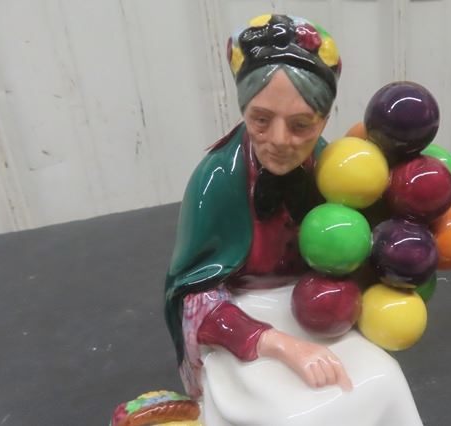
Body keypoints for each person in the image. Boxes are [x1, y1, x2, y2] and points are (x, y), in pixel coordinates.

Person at [164, 14, 423, 426]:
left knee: (383, 377)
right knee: (295, 416)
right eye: (260, 120)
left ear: (324, 120)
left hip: (320, 306)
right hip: (245, 319)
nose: (280, 141)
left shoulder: (335, 168)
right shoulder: (215, 180)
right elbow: (193, 299)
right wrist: (281, 346)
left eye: (301, 125)